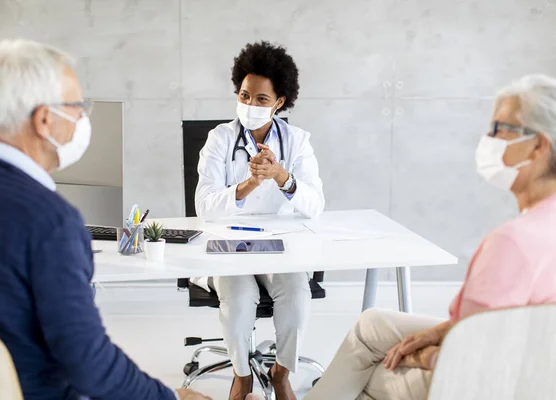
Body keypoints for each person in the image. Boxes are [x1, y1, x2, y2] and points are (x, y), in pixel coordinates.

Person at [0, 39, 210, 400]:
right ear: (44, 120)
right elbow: (88, 364)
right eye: (77, 106)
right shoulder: (50, 221)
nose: (82, 118)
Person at [304, 74, 556, 400]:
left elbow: (472, 358)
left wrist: (424, 356)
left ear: (538, 146)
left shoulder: (512, 244)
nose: (488, 139)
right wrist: (438, 333)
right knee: (373, 324)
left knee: (372, 372)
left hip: (491, 383)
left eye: (500, 129)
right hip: (534, 366)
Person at [194, 41, 325, 400]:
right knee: (237, 302)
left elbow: (314, 205)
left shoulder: (297, 142)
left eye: (262, 99)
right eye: (245, 95)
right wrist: (250, 183)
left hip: (278, 246)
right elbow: (204, 206)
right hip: (228, 244)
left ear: (279, 102)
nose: (250, 105)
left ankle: (281, 372)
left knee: (297, 295)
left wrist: (282, 176)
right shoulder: (220, 139)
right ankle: (241, 375)